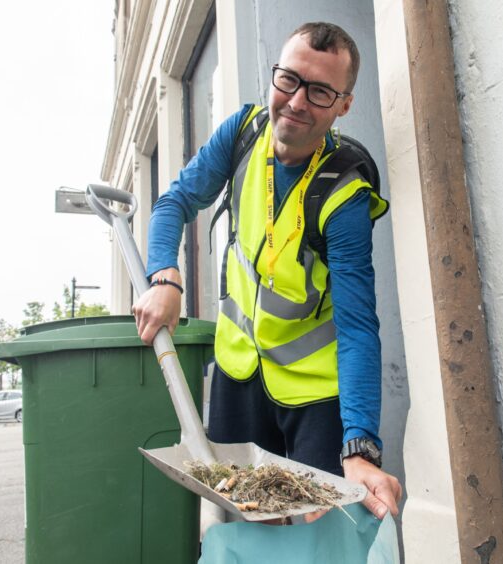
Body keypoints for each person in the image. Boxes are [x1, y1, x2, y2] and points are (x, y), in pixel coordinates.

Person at [132, 22, 401, 520]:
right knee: (241, 518)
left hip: (314, 394)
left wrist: (360, 445)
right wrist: (165, 277)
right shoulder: (242, 133)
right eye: (288, 80)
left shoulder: (343, 194)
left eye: (319, 91)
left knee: (314, 531)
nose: (297, 102)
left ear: (344, 104)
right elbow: (174, 203)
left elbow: (359, 325)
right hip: (238, 373)